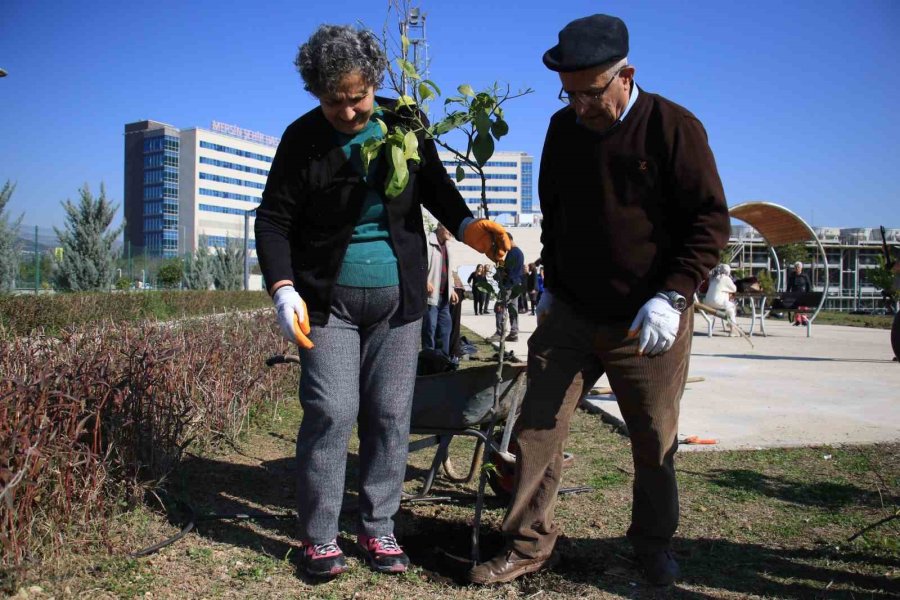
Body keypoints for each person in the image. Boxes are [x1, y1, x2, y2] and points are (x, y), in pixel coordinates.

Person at [469, 14, 730, 587]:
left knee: (652, 436)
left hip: (646, 319)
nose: (581, 106)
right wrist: (552, 287)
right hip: (571, 313)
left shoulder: (672, 128)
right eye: (570, 93)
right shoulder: (564, 130)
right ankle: (528, 544)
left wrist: (674, 295)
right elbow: (557, 215)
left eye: (592, 93)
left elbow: (710, 223)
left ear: (626, 75)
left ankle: (653, 545)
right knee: (536, 428)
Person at [253, 23, 509, 579]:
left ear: (375, 83)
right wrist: (282, 288)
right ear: (316, 93)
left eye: (358, 98)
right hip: (327, 306)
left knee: (391, 415)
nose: (348, 112)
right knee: (331, 411)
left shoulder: (405, 123)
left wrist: (469, 227)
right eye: (334, 101)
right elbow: (273, 220)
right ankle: (319, 536)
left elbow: (437, 188)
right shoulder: (302, 139)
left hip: (399, 304)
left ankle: (379, 528)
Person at [422, 224, 458, 356]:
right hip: (431, 296)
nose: (451, 232)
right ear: (439, 227)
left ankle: (443, 360)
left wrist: (452, 289)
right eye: (448, 228)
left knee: (445, 328)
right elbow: (417, 265)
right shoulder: (427, 242)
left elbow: (449, 270)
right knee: (430, 328)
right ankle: (428, 358)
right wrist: (424, 281)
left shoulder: (449, 246)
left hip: (444, 298)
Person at [488, 233, 525, 343]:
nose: (502, 245)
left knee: (499, 308)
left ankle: (500, 333)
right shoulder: (519, 252)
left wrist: (498, 264)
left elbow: (507, 270)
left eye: (502, 242)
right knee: (513, 309)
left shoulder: (513, 252)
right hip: (516, 284)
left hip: (509, 286)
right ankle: (514, 333)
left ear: (508, 240)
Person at [704, 264, 737, 333]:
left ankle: (731, 324)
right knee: (731, 307)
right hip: (716, 302)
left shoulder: (713, 278)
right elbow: (734, 289)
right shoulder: (725, 278)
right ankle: (733, 329)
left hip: (707, 303)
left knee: (728, 306)